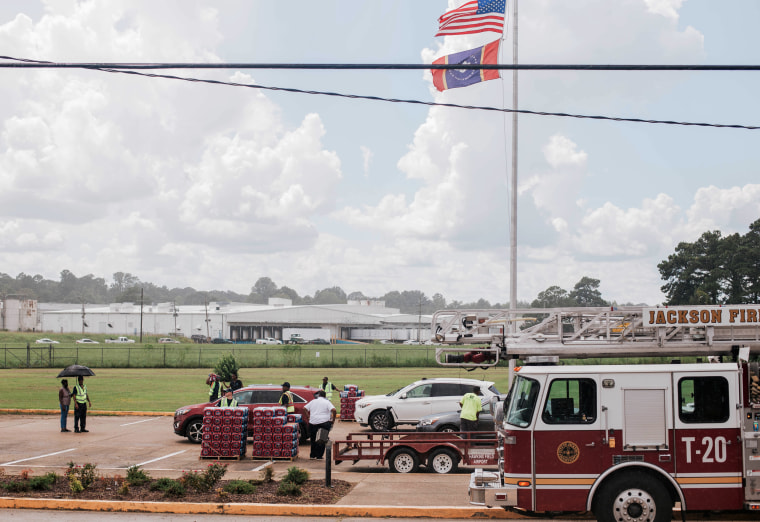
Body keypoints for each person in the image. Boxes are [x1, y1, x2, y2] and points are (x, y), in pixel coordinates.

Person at [302, 389, 336, 460]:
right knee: (322, 439)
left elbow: (304, 408)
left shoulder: (313, 401)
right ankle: (319, 456)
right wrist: (333, 420)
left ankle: (312, 455)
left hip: (313, 422)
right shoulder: (327, 402)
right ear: (325, 396)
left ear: (319, 395)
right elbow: (334, 410)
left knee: (313, 439)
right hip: (323, 423)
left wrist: (308, 417)